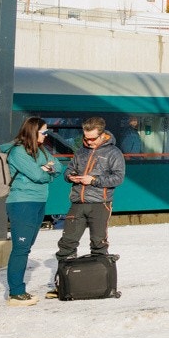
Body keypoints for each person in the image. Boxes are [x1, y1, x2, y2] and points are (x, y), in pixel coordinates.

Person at [48, 116, 125, 297]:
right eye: (85, 138)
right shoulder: (81, 151)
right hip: (78, 202)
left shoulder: (114, 153)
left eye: (92, 139)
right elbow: (69, 170)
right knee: (67, 243)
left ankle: (100, 285)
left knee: (99, 244)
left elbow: (118, 178)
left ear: (102, 135)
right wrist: (71, 176)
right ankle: (63, 285)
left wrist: (94, 180)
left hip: (100, 203)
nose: (88, 142)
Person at [3, 117, 58, 306]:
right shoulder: (18, 152)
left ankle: (17, 290)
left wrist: (45, 171)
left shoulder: (41, 150)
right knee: (21, 248)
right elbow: (36, 175)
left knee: (27, 247)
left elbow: (57, 167)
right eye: (43, 132)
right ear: (33, 132)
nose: (45, 135)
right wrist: (44, 171)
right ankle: (16, 293)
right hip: (22, 203)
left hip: (39, 201)